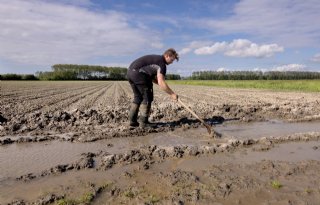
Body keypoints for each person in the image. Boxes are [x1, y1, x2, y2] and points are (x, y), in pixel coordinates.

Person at [127, 48, 179, 128]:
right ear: (167, 56)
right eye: (172, 60)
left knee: (138, 98)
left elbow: (155, 79)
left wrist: (161, 84)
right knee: (147, 98)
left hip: (130, 73)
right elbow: (161, 82)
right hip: (140, 75)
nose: (172, 62)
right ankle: (144, 123)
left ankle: (132, 121)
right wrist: (172, 94)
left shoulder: (156, 59)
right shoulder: (162, 64)